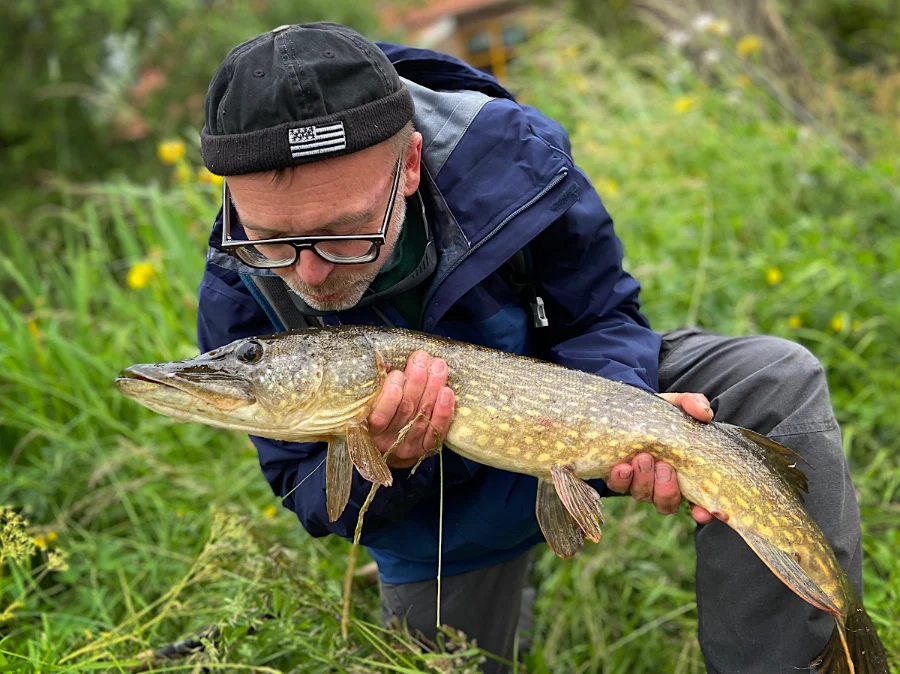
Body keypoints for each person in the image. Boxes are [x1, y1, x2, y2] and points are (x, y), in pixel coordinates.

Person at [195, 22, 864, 674]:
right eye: (272, 240)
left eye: (346, 233)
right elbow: (309, 494)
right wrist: (389, 461)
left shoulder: (514, 161)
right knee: (448, 664)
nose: (310, 272)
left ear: (410, 165)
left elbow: (599, 313)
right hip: (443, 522)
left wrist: (619, 415)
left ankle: (810, 654)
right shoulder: (237, 287)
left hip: (569, 414)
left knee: (771, 378)